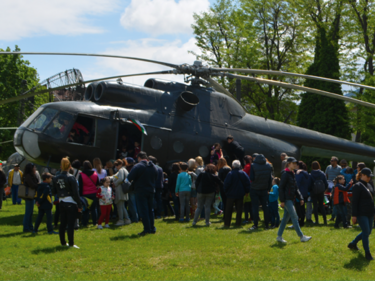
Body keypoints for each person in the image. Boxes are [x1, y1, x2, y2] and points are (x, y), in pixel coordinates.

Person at [277, 157, 312, 243]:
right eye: (293, 163)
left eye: (295, 163)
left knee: (285, 218)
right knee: (295, 217)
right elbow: (281, 188)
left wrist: (300, 198)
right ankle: (301, 236)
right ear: (288, 164)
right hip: (286, 199)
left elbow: (295, 187)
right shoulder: (285, 174)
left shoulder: (292, 173)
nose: (295, 165)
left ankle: (279, 236)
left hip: (290, 199)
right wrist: (282, 200)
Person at [52, 157, 82, 248]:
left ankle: (63, 243)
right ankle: (71, 244)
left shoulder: (55, 178)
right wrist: (79, 204)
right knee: (71, 224)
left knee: (63, 224)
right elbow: (76, 193)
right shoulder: (71, 177)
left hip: (61, 202)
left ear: (61, 166)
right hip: (71, 202)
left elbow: (53, 191)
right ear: (69, 166)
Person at [127, 151, 158, 236]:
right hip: (151, 190)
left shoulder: (137, 166)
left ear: (139, 158)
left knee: (143, 210)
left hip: (141, 191)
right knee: (150, 210)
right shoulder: (153, 166)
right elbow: (156, 177)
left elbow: (129, 178)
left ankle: (147, 229)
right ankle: (152, 228)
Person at [348, 168, 375, 261]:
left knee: (368, 232)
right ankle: (367, 253)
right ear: (362, 175)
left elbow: (372, 200)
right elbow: (354, 202)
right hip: (361, 213)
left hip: (370, 213)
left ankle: (353, 243)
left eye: (370, 177)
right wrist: (354, 215)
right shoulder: (357, 186)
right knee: (366, 232)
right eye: (368, 176)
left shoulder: (370, 185)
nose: (369, 178)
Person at [223, 160, 251, 228]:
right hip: (240, 194)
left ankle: (227, 223)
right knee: (239, 209)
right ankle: (238, 223)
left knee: (228, 209)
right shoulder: (243, 173)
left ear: (232, 166)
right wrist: (247, 191)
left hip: (230, 194)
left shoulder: (230, 173)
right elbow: (247, 183)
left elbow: (226, 184)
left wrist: (226, 192)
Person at [249, 154, 273, 230]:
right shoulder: (269, 166)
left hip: (254, 188)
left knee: (255, 207)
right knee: (265, 207)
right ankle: (266, 224)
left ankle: (255, 224)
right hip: (264, 189)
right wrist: (268, 189)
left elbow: (252, 177)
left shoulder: (253, 165)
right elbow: (270, 179)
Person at [79, 160, 100, 227]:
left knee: (86, 209)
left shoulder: (81, 175)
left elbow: (81, 186)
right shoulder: (95, 174)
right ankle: (95, 222)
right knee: (94, 209)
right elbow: (97, 184)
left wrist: (80, 195)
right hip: (94, 193)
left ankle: (85, 223)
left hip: (85, 194)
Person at [111, 159, 131, 226]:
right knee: (122, 207)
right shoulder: (124, 170)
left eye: (117, 165)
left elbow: (120, 179)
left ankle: (121, 220)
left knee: (120, 206)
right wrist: (108, 177)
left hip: (120, 190)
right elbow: (114, 176)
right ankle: (127, 219)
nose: (116, 167)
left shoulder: (121, 170)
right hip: (124, 190)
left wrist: (115, 183)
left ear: (120, 164)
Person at [22, 163, 38, 233]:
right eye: (34, 168)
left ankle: (30, 226)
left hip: (31, 196)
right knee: (28, 212)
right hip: (29, 196)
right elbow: (32, 185)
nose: (35, 169)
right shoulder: (28, 176)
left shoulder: (31, 175)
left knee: (30, 212)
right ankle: (26, 227)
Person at [295, 161, 309, 227]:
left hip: (299, 193)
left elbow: (297, 184)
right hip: (305, 193)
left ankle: (299, 222)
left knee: (298, 208)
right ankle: (302, 221)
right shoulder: (306, 174)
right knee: (302, 208)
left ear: (298, 166)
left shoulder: (298, 174)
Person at [125, 157, 138, 223]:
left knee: (132, 203)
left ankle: (135, 218)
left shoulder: (129, 169)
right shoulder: (135, 167)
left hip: (130, 188)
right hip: (135, 187)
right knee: (134, 203)